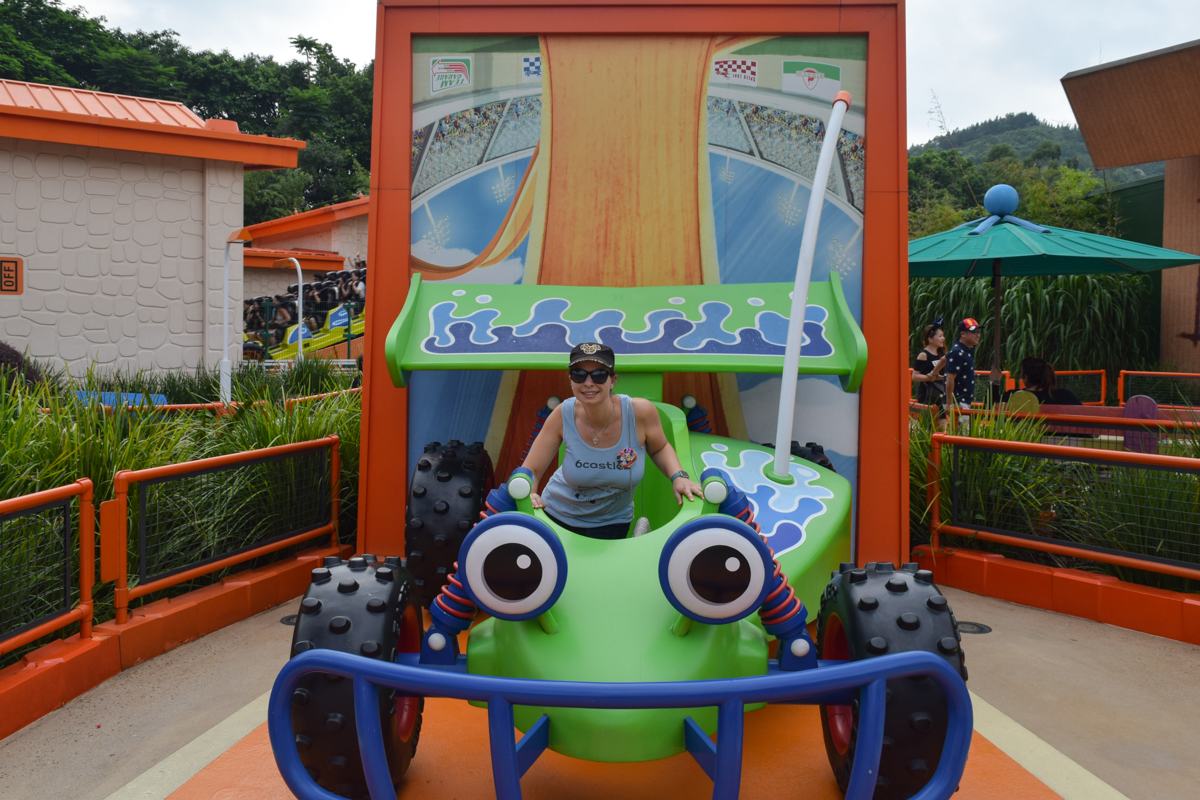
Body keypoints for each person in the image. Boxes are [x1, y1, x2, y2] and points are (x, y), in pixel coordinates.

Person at [522, 342, 704, 540]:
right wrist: (529, 493)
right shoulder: (563, 414)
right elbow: (532, 470)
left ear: (613, 380)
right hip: (557, 514)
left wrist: (679, 477)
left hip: (612, 522)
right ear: (571, 381)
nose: (588, 383)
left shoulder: (639, 412)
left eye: (599, 375)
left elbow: (660, 447)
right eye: (579, 375)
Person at [1003, 357, 1082, 405]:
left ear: (1026, 378)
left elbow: (995, 408)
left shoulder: (1012, 396)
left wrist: (996, 382)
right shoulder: (1064, 396)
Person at [943, 318, 982, 417]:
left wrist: (933, 373)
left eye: (978, 332)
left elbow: (945, 357)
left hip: (963, 400)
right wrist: (949, 402)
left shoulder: (965, 350)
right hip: (958, 401)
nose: (977, 335)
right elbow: (950, 378)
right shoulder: (958, 351)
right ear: (963, 334)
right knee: (961, 426)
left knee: (964, 426)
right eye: (973, 332)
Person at [912, 318, 947, 406]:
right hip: (928, 395)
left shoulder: (942, 354)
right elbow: (915, 376)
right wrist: (932, 377)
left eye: (943, 336)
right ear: (930, 339)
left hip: (941, 393)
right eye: (940, 336)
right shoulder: (924, 355)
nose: (943, 338)